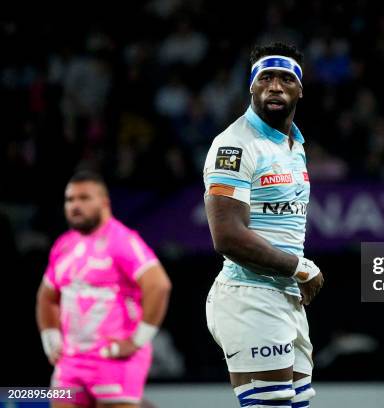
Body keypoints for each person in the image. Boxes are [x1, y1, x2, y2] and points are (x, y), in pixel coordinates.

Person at [203, 42, 323, 408]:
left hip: (285, 297)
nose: (275, 86)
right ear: (251, 86)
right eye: (265, 77)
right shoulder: (235, 145)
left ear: (299, 89)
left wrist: (293, 275)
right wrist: (299, 267)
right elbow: (226, 236)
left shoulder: (294, 144)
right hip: (249, 296)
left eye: (285, 78)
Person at [36, 171, 172, 408]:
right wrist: (50, 338)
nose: (75, 205)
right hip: (71, 361)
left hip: (114, 359)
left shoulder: (122, 240)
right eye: (70, 200)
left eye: (84, 198)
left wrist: (136, 341)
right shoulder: (64, 245)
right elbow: (46, 296)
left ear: (104, 202)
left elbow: (159, 285)